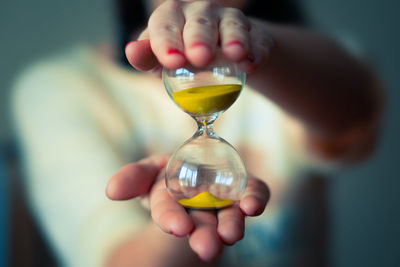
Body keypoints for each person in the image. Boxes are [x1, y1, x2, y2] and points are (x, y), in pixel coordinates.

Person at [11, 0, 383, 266]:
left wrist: (259, 45)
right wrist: (176, 233)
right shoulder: (57, 87)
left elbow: (354, 109)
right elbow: (110, 257)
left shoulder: (306, 68)